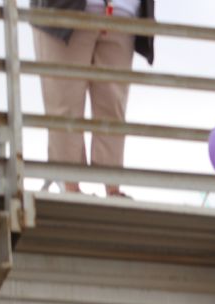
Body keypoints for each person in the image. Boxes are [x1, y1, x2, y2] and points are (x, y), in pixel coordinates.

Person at [30, 0, 155, 197]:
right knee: (65, 102)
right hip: (65, 10)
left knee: (113, 106)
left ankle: (112, 186)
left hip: (122, 14)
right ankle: (69, 185)